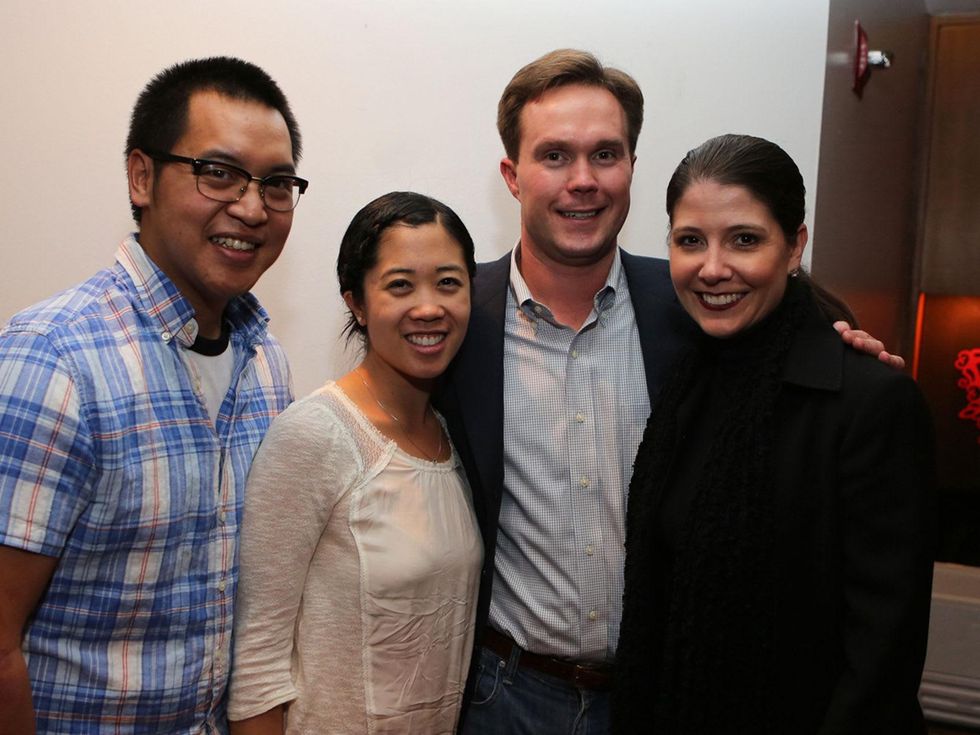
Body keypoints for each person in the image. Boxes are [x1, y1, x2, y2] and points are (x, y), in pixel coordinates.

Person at [436, 49, 906, 735]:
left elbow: (788, 317)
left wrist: (848, 345)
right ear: (512, 175)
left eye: (606, 154)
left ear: (631, 164)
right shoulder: (454, 322)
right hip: (501, 698)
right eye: (555, 156)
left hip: (666, 696)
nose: (583, 181)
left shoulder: (696, 304)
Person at [0, 57, 306, 734]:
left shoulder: (268, 365)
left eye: (277, 183)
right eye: (218, 172)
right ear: (142, 176)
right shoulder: (53, 359)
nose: (253, 208)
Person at [613, 134, 935, 734]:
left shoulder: (870, 402)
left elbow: (881, 661)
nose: (713, 267)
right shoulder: (685, 386)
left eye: (745, 239)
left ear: (795, 246)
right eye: (690, 241)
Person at [227, 192, 483, 734]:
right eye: (399, 285)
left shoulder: (456, 436)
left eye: (448, 282)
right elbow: (256, 664)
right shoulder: (315, 434)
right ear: (357, 303)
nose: (429, 306)